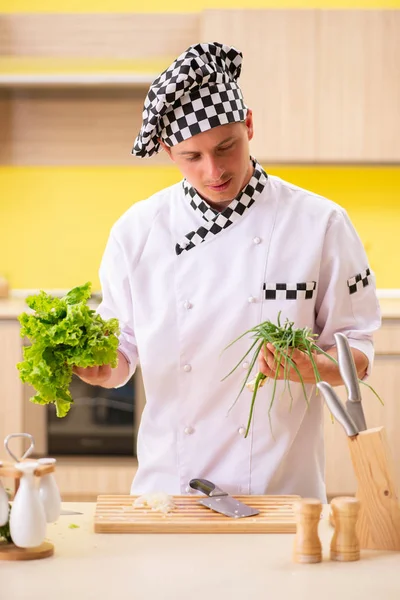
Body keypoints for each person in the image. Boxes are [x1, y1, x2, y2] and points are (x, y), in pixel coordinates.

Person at [74, 42, 381, 501]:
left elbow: (357, 349)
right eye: (191, 157)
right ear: (166, 150)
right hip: (170, 488)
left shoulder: (320, 223)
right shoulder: (136, 232)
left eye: (225, 147)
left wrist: (309, 366)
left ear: (250, 125)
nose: (214, 171)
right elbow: (124, 351)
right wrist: (104, 370)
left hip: (281, 490)